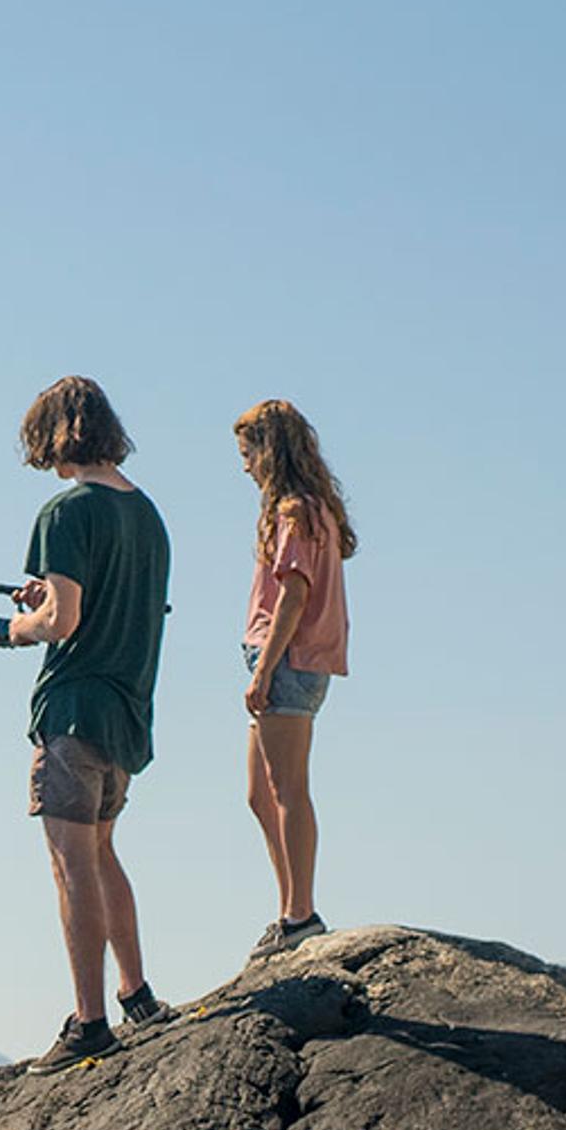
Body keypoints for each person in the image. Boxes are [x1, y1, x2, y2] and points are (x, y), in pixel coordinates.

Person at [0, 376, 173, 1070]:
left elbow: (62, 622)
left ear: (54, 435)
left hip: (73, 712)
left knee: (71, 867)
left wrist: (12, 628)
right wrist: (50, 595)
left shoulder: (65, 513)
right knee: (101, 853)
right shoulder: (147, 515)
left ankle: (91, 1023)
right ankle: (138, 994)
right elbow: (97, 601)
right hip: (128, 715)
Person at [232, 399, 354, 960]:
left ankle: (300, 912)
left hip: (288, 661)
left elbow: (294, 592)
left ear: (270, 449)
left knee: (287, 789)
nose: (246, 465)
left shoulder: (294, 512)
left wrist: (263, 668)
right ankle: (290, 908)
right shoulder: (312, 509)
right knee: (262, 793)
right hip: (286, 660)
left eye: (249, 452)